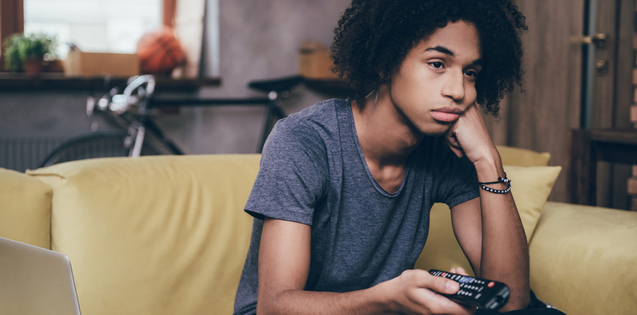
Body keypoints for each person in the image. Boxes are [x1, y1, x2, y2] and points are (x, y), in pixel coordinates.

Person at [234, 0, 564, 314]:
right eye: (438, 64)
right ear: (385, 62)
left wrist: (487, 160)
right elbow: (274, 307)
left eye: (470, 72)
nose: (459, 91)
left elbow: (511, 301)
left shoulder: (445, 151)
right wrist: (387, 301)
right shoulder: (304, 141)